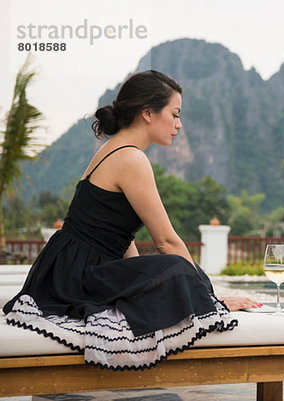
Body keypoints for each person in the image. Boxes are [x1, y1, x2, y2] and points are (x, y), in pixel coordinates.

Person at [2, 70, 260, 370]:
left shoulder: (110, 150)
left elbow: (121, 237)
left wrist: (145, 284)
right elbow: (166, 241)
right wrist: (209, 301)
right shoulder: (131, 158)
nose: (179, 124)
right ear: (148, 113)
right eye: (174, 114)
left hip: (66, 268)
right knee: (176, 268)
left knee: (166, 272)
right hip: (77, 276)